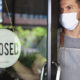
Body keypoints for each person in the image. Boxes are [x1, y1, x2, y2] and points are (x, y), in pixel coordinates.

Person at [58, 0, 80, 80]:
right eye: (61, 10)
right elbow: (36, 70)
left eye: (69, 8)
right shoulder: (53, 38)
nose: (64, 13)